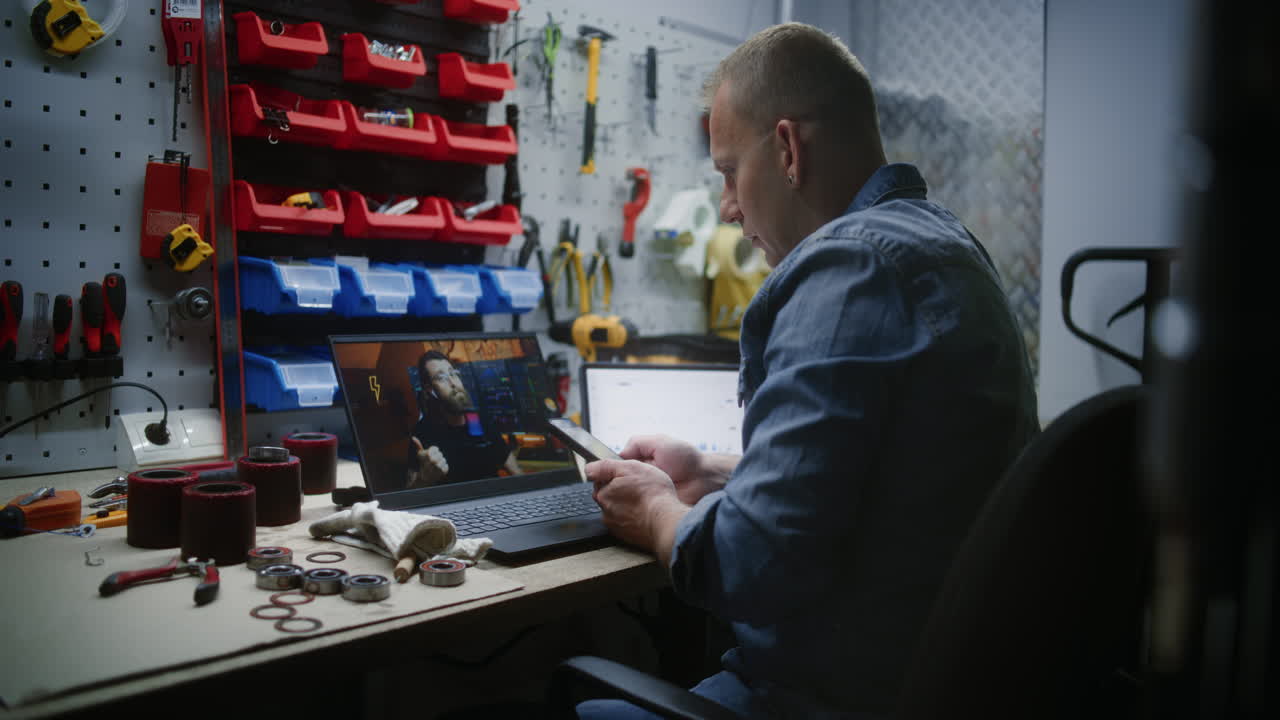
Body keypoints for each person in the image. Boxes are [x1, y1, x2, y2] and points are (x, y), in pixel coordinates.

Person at [579, 22, 1039, 719]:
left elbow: (745, 566)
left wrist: (655, 510)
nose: (729, 208)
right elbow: (877, 481)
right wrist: (708, 473)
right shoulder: (947, 246)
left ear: (788, 150)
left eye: (730, 173)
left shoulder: (847, 268)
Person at [405, 350, 521, 488]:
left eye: (453, 373)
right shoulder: (422, 433)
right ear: (430, 389)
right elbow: (409, 490)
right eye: (441, 377)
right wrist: (424, 478)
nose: (453, 383)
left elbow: (515, 470)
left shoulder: (478, 420)